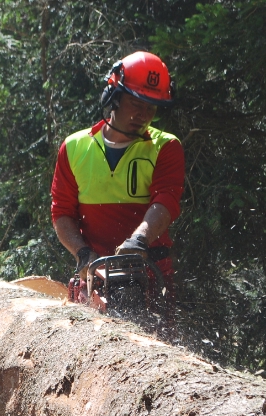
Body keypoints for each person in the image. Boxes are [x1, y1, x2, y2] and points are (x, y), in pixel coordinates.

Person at [50, 51, 185, 311]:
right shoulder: (75, 147)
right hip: (95, 276)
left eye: (151, 107)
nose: (143, 114)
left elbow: (166, 200)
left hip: (150, 275)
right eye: (136, 103)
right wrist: (82, 253)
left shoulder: (165, 147)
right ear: (114, 96)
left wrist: (139, 241)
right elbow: (62, 212)